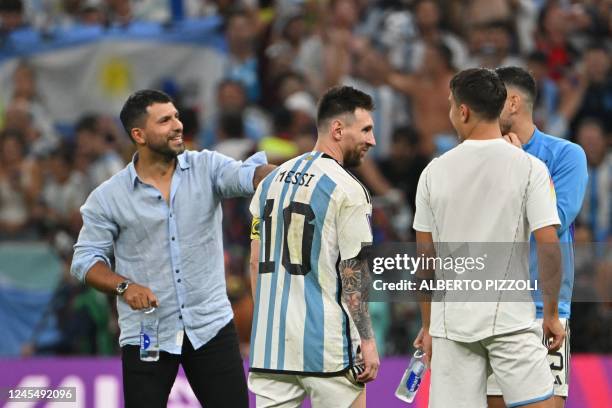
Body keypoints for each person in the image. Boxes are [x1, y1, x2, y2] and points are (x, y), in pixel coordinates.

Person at [70, 89, 274, 408]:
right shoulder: (108, 197)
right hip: (147, 333)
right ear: (139, 134)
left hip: (210, 326)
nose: (177, 125)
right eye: (165, 120)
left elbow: (249, 174)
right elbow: (84, 262)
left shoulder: (207, 167)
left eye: (176, 116)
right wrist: (124, 286)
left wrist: (285, 177)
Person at [412, 68, 566, 408]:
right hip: (510, 319)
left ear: (463, 111)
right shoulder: (530, 168)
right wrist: (551, 314)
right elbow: (550, 247)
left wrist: (428, 326)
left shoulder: (433, 173)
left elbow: (425, 262)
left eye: (452, 105)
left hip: (451, 326)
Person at [247, 86, 380, 407]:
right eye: (365, 129)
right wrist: (367, 340)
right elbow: (354, 272)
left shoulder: (270, 182)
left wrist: (270, 320)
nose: (372, 140)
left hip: (271, 348)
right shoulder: (347, 190)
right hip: (327, 351)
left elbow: (254, 262)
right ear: (338, 129)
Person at [487, 66, 588, 408]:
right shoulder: (480, 159)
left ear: (512, 103)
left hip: (544, 310)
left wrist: (518, 163)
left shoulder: (567, 155)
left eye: (492, 99)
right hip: (491, 308)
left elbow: (553, 222)